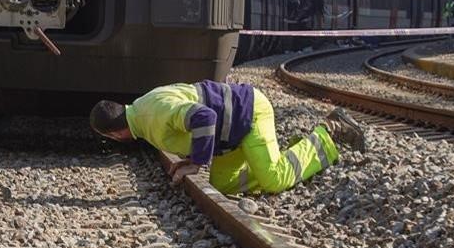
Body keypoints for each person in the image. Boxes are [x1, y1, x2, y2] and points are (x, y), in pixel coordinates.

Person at [90, 80, 366, 196]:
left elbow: (205, 117)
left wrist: (196, 162)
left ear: (114, 134)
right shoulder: (143, 108)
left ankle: (329, 132)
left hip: (250, 115)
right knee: (221, 184)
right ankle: (286, 155)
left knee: (273, 180)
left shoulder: (154, 117)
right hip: (230, 133)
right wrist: (189, 157)